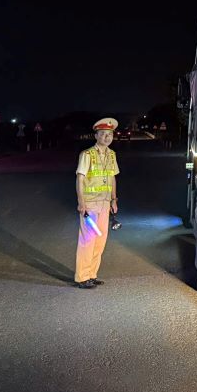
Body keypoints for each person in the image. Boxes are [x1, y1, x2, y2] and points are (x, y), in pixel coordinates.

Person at [74, 117, 120, 288]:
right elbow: (80, 179)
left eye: (110, 134)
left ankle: (92, 274)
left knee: (100, 241)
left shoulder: (112, 155)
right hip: (90, 204)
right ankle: (82, 277)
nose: (107, 137)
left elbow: (113, 177)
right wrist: (81, 202)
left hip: (105, 203)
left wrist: (114, 199)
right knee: (88, 240)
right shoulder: (87, 155)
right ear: (96, 136)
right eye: (103, 134)